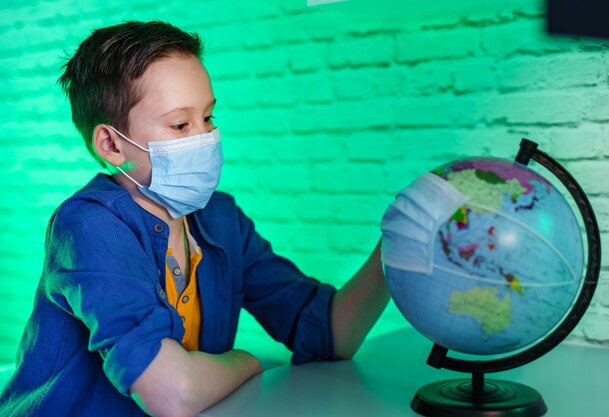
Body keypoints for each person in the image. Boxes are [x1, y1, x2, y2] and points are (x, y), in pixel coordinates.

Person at [0, 20, 390, 417]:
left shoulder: (219, 218)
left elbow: (329, 334)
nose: (204, 137)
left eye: (208, 118)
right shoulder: (88, 225)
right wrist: (249, 361)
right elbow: (173, 393)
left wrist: (397, 243)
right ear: (113, 144)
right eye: (180, 124)